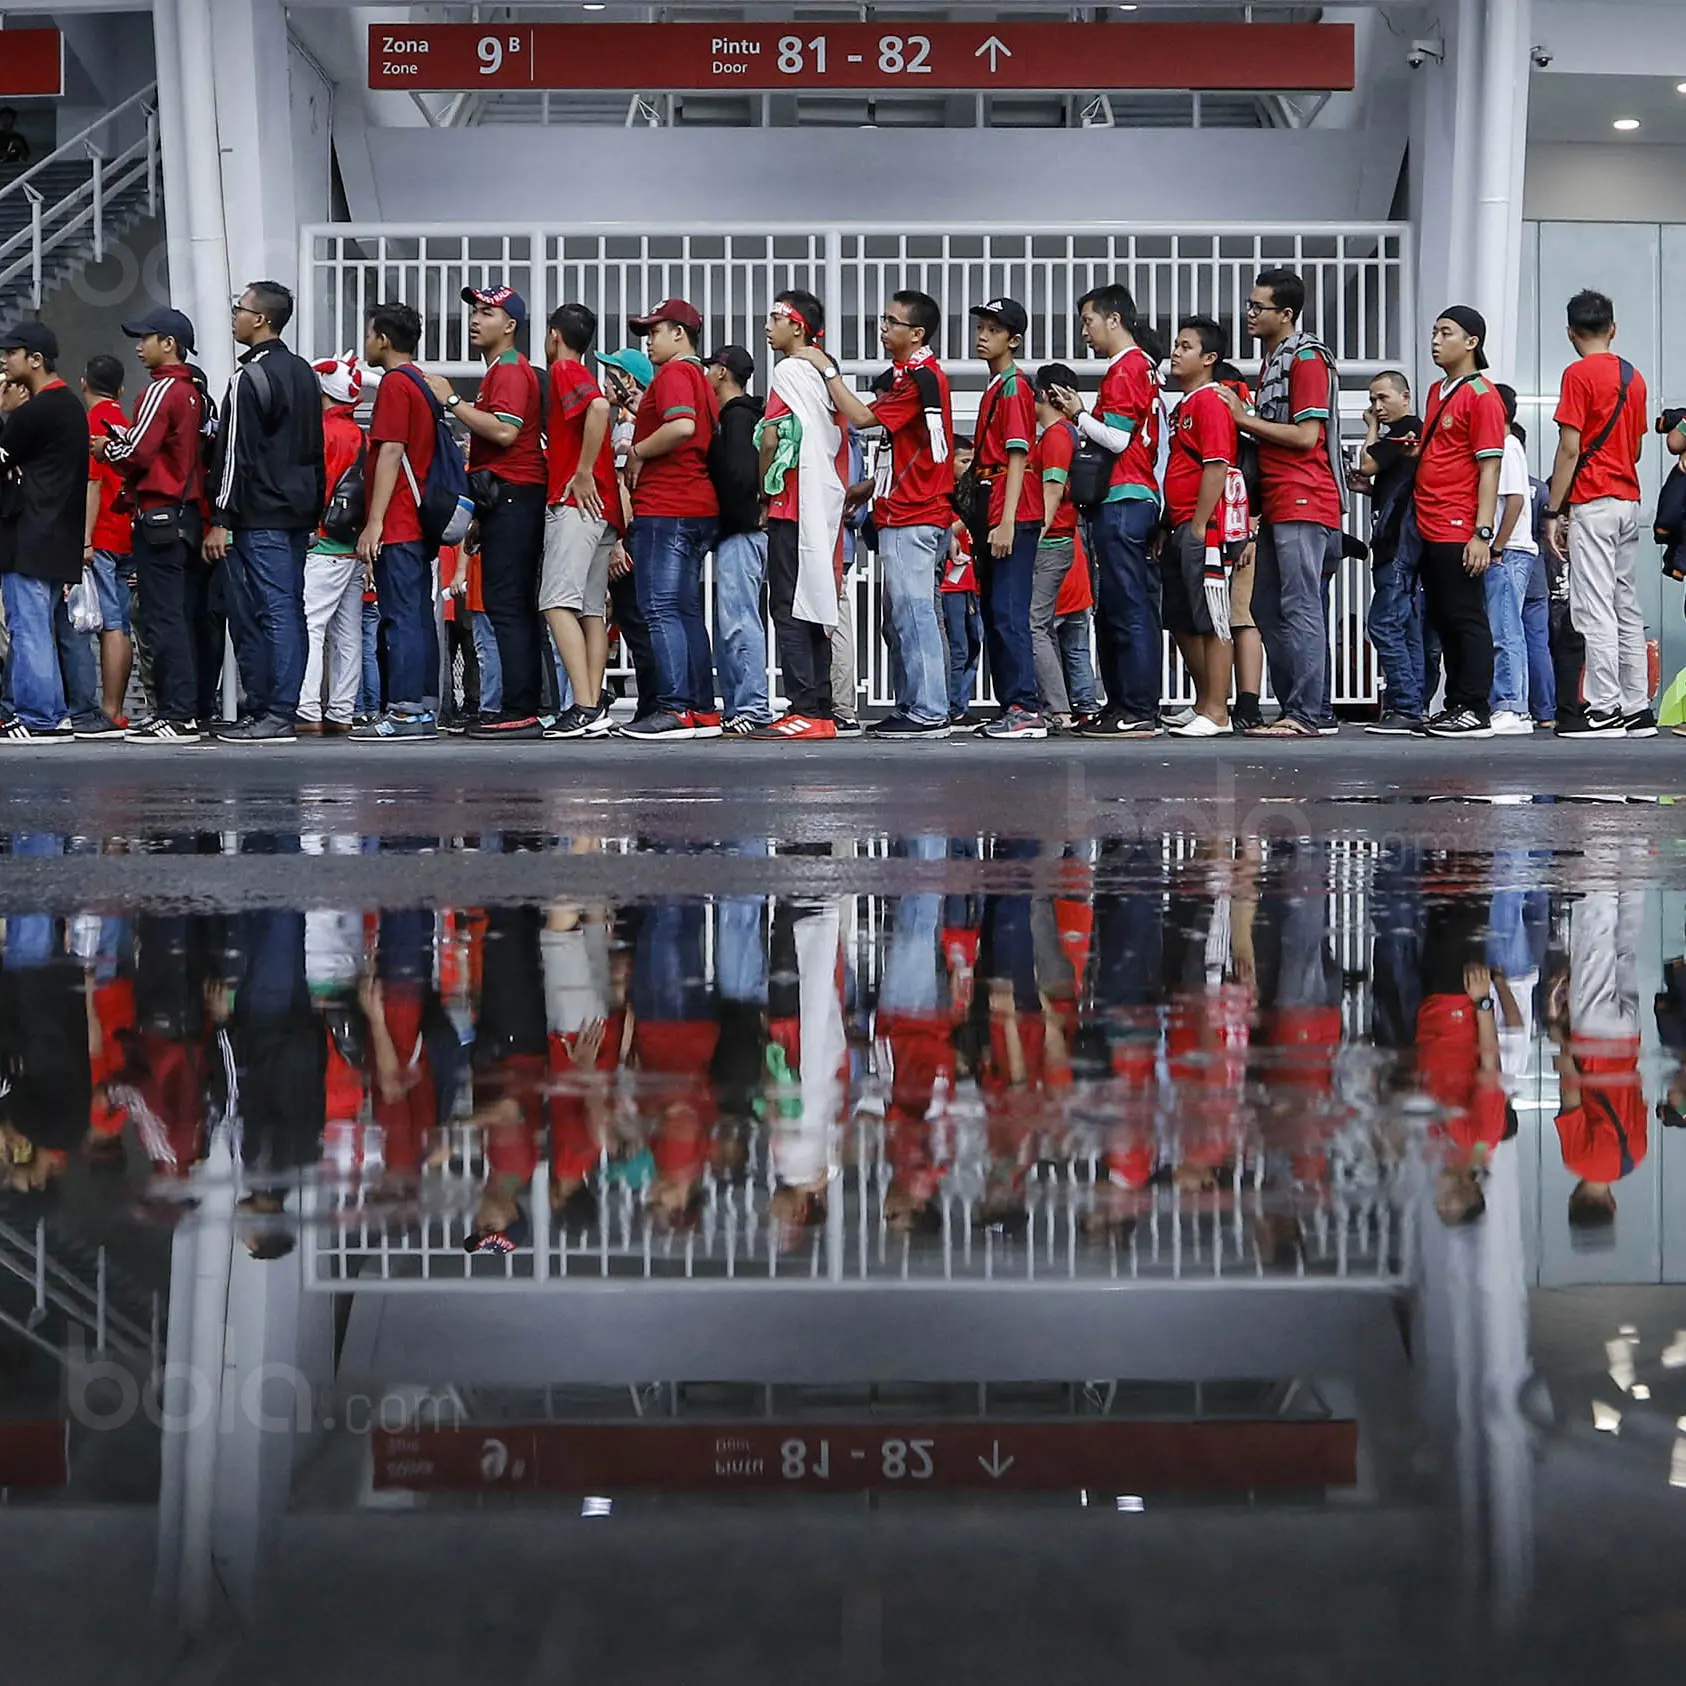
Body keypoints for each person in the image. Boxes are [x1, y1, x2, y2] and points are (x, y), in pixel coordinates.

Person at [799, 290, 954, 739]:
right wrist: (868, 487)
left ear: (917, 333)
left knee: (915, 613)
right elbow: (911, 445)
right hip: (905, 509)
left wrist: (828, 371)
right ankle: (916, 706)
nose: (883, 328)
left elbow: (865, 418)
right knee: (902, 616)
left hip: (914, 513)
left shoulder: (919, 379)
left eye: (891, 321)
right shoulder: (915, 377)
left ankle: (928, 711)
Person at [1219, 267, 1345, 739]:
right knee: (1269, 605)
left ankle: (1308, 713)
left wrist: (1242, 420)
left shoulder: (1306, 358)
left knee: (1299, 603)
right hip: (1277, 500)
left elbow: (1306, 435)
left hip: (1303, 496)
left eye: (1259, 307)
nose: (1250, 314)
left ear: (1286, 314)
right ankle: (1299, 706)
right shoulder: (1276, 359)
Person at [205, 280, 326, 745]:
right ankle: (272, 711)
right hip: (295, 514)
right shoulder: (303, 373)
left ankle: (273, 712)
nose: (234, 316)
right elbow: (314, 452)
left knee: (265, 612)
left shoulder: (247, 377)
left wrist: (221, 517)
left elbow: (234, 455)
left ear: (260, 319)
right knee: (285, 610)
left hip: (260, 515)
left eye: (240, 309)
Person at [426, 287, 546, 739]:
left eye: (487, 312)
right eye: (474, 312)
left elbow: (504, 433)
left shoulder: (511, 371)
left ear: (510, 325)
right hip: (508, 496)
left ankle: (520, 709)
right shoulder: (501, 370)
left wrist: (453, 401)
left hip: (516, 493)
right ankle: (519, 706)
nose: (476, 319)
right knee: (505, 602)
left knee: (506, 602)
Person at [1044, 285, 1163, 738]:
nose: (1085, 331)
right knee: (1119, 606)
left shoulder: (1127, 367)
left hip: (1124, 497)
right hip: (1128, 497)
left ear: (1114, 320)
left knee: (1128, 606)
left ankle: (1136, 708)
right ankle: (1124, 705)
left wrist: (1077, 412)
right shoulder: (1140, 368)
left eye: (1089, 320)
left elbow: (1116, 439)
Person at [1543, 289, 1653, 738]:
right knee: (1625, 603)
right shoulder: (1634, 377)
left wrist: (1554, 508)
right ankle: (1636, 707)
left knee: (1593, 607)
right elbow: (1639, 446)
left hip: (1593, 501)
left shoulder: (1578, 375)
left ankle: (1604, 707)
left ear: (1571, 332)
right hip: (1628, 501)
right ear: (1613, 328)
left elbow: (1570, 448)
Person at [104, 306, 208, 744]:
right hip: (188, 515)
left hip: (160, 515)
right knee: (180, 616)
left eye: (145, 338)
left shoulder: (161, 390)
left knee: (161, 619)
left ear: (169, 344)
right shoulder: (195, 392)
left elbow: (136, 452)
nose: (138, 346)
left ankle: (176, 713)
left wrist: (104, 448)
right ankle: (186, 708)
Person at [619, 297, 721, 742]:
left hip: (668, 505)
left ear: (679, 333)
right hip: (695, 505)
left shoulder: (676, 374)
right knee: (684, 609)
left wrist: (636, 450)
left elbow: (680, 426)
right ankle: (699, 708)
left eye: (654, 332)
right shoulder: (698, 377)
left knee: (660, 608)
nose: (647, 342)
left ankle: (675, 707)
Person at [755, 290, 847, 740]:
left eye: (775, 318)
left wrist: (761, 490)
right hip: (824, 503)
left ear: (798, 327)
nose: (767, 326)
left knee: (789, 606)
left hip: (791, 503)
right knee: (816, 605)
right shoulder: (827, 372)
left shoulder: (789, 370)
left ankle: (802, 706)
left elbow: (771, 438)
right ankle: (822, 710)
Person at [1411, 306, 1506, 739]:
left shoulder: (1482, 396)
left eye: (1446, 332)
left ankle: (1475, 706)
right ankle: (1455, 705)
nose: (1435, 339)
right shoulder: (1437, 391)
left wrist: (1482, 533)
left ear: (1471, 342)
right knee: (1445, 617)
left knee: (1466, 616)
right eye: (1434, 331)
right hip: (1428, 522)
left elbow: (1490, 468)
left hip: (1458, 524)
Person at [354, 301, 440, 741]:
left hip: (401, 519)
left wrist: (374, 523)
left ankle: (404, 711)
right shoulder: (421, 383)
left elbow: (390, 450)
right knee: (418, 614)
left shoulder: (394, 385)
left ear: (384, 339)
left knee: (400, 615)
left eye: (370, 334)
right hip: (418, 519)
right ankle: (422, 707)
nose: (367, 342)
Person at [0, 323, 86, 744]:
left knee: (28, 628)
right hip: (60, 536)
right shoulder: (71, 406)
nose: (4, 360)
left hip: (30, 535)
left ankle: (39, 716)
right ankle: (51, 713)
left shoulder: (36, 411)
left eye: (12, 352)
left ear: (36, 359)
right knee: (40, 629)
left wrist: (5, 413)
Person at [539, 303, 621, 740]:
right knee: (590, 610)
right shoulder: (577, 371)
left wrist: (583, 470)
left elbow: (598, 409)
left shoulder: (566, 371)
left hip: (576, 503)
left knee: (555, 602)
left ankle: (585, 706)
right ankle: (593, 704)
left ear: (555, 335)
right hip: (603, 509)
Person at [965, 298, 1045, 740]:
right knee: (997, 611)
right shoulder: (998, 385)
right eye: (982, 327)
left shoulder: (1014, 387)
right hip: (997, 505)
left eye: (994, 330)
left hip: (1011, 507)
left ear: (1013, 340)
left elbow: (1018, 456)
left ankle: (1024, 706)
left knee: (1009, 611)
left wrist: (1008, 519)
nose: (983, 335)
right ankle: (1012, 704)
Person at [1161, 315, 1238, 737]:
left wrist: (1199, 523)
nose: (1176, 352)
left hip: (1202, 528)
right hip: (1180, 523)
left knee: (1212, 618)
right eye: (1176, 344)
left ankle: (1217, 711)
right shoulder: (1185, 405)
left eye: (1186, 346)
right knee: (1184, 619)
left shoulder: (1210, 401)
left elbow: (1217, 466)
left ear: (1209, 358)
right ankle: (1202, 701)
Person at [1353, 371, 1430, 733]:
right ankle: (1416, 705)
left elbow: (1368, 461)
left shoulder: (1406, 431)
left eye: (1383, 398)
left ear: (1405, 396)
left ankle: (1406, 706)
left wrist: (1371, 429)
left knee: (1382, 624)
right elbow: (1400, 484)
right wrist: (1371, 491)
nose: (1376, 407)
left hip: (1398, 544)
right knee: (1406, 627)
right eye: (1372, 400)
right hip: (1400, 541)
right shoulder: (1408, 439)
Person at [297, 352, 366, 736]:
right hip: (352, 544)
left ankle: (307, 707)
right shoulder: (360, 435)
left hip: (322, 543)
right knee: (348, 632)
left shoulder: (321, 432)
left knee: (312, 625)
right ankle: (342, 710)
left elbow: (313, 486)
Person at [704, 343, 771, 734]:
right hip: (740, 531)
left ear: (722, 372)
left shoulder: (737, 416)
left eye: (709, 366)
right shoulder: (738, 416)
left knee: (739, 621)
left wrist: (739, 512)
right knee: (734, 619)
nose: (705, 373)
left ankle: (752, 707)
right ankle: (739, 705)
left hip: (742, 532)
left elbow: (741, 475)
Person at [598, 347, 659, 723]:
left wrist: (619, 541)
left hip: (631, 534)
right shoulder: (637, 420)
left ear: (629, 382)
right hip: (641, 532)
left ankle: (652, 704)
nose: (603, 382)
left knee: (638, 623)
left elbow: (623, 486)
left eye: (611, 374)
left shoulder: (627, 425)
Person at [1029, 366, 1090, 731]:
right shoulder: (1062, 433)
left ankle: (1058, 709)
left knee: (1033, 625)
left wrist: (1034, 535)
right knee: (1045, 626)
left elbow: (1052, 489)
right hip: (1058, 539)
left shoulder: (1055, 436)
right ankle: (1060, 705)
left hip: (1051, 542)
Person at [81, 353, 135, 729]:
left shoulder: (91, 425)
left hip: (101, 535)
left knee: (109, 624)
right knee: (122, 623)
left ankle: (110, 709)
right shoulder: (126, 423)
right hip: (128, 533)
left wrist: (84, 539)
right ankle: (115, 707)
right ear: (120, 388)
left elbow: (93, 483)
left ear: (83, 383)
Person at [1487, 385, 1538, 735]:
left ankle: (1511, 705)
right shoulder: (1502, 447)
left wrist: (1497, 546)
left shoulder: (1506, 446)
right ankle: (1510, 704)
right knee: (1505, 629)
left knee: (1505, 630)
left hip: (1510, 551)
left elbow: (1515, 500)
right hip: (1510, 550)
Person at [940, 435, 983, 725]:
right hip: (951, 584)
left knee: (974, 644)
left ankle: (961, 703)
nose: (969, 467)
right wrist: (969, 515)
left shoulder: (970, 494)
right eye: (963, 461)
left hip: (972, 581)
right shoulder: (944, 496)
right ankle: (952, 704)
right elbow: (945, 530)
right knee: (958, 646)